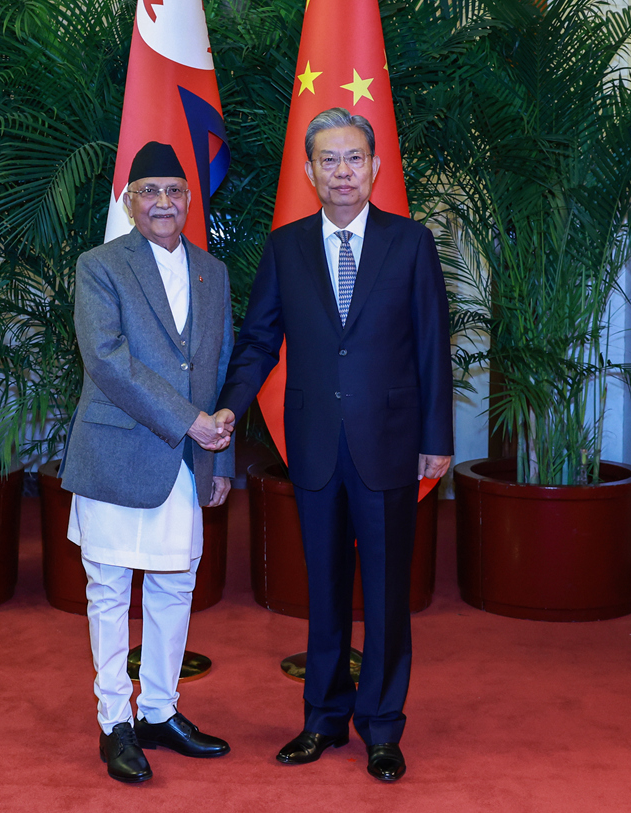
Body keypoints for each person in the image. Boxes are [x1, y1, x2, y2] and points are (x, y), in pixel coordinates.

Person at [215, 108, 453, 782]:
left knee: (386, 592)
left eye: (354, 158)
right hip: (315, 442)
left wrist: (437, 437)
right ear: (309, 170)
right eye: (329, 159)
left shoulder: (411, 243)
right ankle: (322, 719)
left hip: (391, 442)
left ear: (374, 167)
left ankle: (382, 727)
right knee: (322, 589)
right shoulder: (285, 247)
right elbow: (259, 340)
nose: (342, 172)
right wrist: (229, 408)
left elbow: (432, 345)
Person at [59, 141, 235, 784]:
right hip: (116, 452)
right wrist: (188, 420)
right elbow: (107, 361)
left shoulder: (213, 272)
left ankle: (160, 710)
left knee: (175, 586)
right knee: (108, 590)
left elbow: (218, 367)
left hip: (187, 462)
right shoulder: (99, 266)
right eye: (150, 191)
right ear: (130, 201)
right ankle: (115, 722)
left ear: (190, 200)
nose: (163, 202)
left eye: (175, 191)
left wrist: (219, 459)